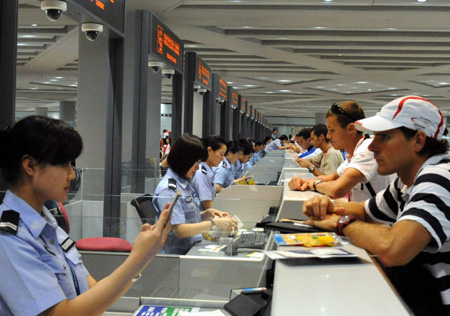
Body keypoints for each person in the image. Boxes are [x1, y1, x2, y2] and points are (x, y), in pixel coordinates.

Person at [0, 116, 172, 316]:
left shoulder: (48, 225)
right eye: (64, 164)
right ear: (30, 166)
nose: (71, 175)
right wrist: (138, 257)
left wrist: (142, 258)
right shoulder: (9, 238)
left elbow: (92, 291)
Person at [302, 96, 450, 316]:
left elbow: (393, 249)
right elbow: (365, 210)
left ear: (418, 141)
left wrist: (342, 223)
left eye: (385, 137)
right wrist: (327, 207)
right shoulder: (406, 180)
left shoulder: (439, 178)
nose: (372, 146)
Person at [288, 101, 395, 202]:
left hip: (375, 220)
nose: (328, 136)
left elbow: (337, 189)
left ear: (351, 129)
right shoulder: (353, 154)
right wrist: (303, 182)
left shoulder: (367, 149)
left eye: (332, 130)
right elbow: (331, 178)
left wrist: (314, 184)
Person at [152, 134, 237, 255]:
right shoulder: (168, 189)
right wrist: (213, 224)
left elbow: (187, 218)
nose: (197, 168)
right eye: (195, 163)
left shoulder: (184, 183)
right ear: (184, 161)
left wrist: (207, 213)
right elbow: (180, 230)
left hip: (191, 247)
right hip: (175, 256)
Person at [191, 136, 227, 212]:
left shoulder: (207, 171)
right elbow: (208, 205)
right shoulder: (201, 173)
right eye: (221, 154)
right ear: (209, 150)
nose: (222, 159)